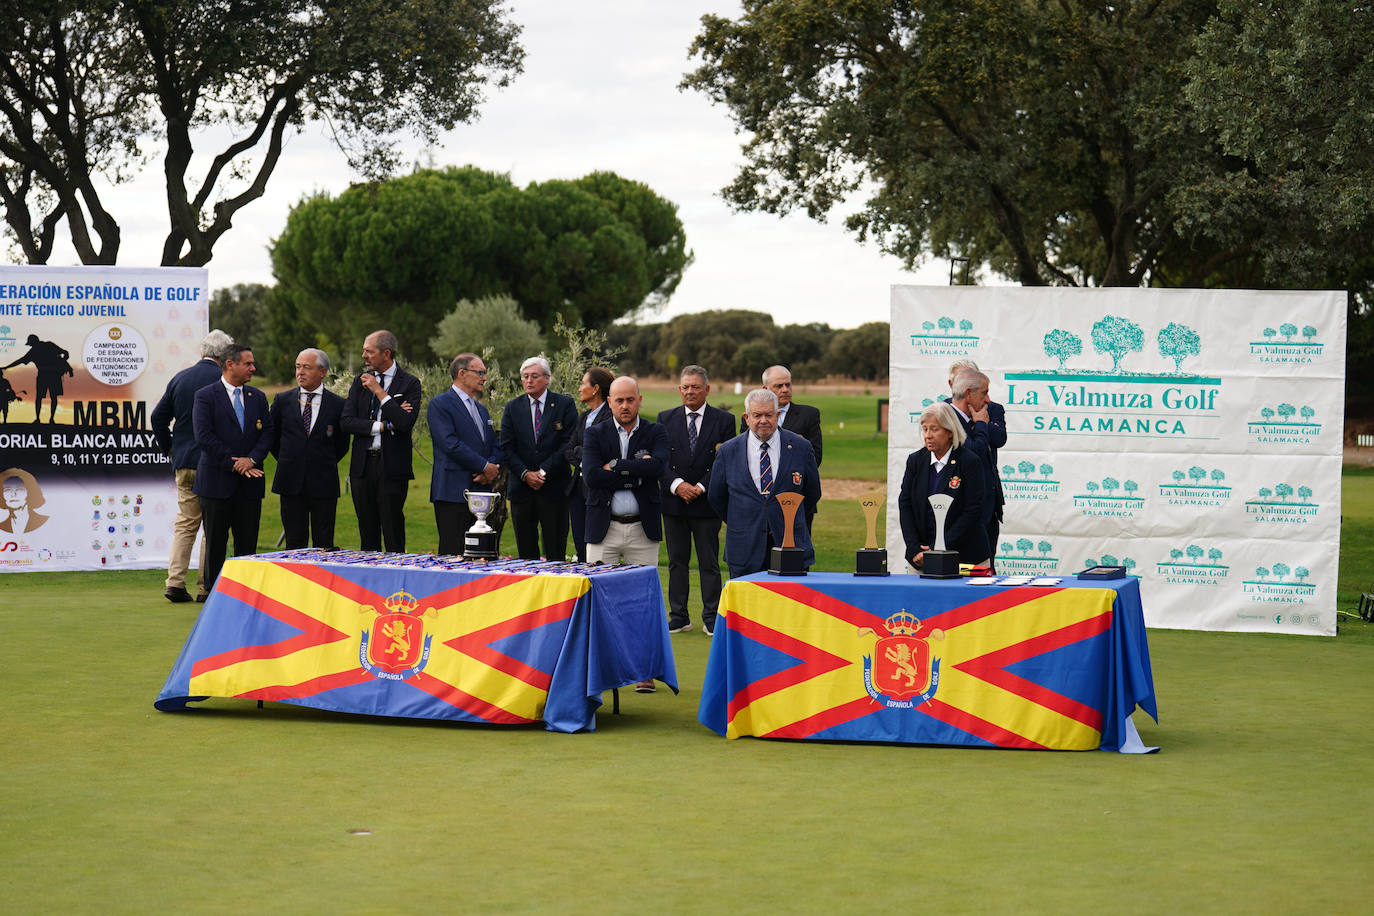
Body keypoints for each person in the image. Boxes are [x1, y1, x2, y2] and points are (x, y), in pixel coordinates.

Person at [582, 375, 668, 693]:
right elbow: (592, 476)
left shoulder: (655, 431)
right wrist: (634, 470)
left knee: (641, 603)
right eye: (619, 400)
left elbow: (657, 468)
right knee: (596, 599)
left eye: (630, 399)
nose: (625, 405)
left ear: (639, 400)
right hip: (603, 528)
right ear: (609, 402)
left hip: (641, 529)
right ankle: (595, 671)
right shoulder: (595, 433)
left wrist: (615, 467)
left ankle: (643, 671)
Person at [150, 329, 233, 602]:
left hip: (184, 461)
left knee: (186, 523)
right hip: (215, 464)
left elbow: (158, 418)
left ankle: (174, 582)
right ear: (225, 356)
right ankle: (206, 586)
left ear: (203, 351)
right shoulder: (224, 381)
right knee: (213, 526)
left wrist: (172, 450)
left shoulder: (181, 378)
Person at [710, 388, 821, 579]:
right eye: (757, 415)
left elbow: (812, 493)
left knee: (789, 608)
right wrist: (745, 518)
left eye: (769, 415)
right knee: (747, 609)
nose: (763, 420)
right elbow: (716, 497)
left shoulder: (801, 447)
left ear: (777, 415)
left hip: (791, 547)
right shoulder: (728, 451)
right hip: (744, 548)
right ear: (746, 418)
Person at [657, 365, 735, 635]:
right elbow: (660, 461)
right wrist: (678, 486)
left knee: (708, 562)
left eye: (695, 387)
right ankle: (678, 616)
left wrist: (700, 486)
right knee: (677, 561)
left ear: (707, 389)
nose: (690, 391)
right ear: (679, 389)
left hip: (707, 503)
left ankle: (712, 616)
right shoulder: (664, 418)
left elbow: (724, 461)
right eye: (685, 387)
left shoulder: (724, 421)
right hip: (673, 502)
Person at [192, 345, 273, 590]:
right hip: (216, 484)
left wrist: (252, 460)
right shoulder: (205, 396)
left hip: (249, 485)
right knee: (215, 543)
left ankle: (244, 593)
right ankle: (213, 594)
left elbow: (268, 433)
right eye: (248, 364)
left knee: (247, 545)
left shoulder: (257, 397)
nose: (253, 368)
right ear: (230, 364)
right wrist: (236, 464)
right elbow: (204, 437)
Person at [340, 330, 423, 552]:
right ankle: (369, 583)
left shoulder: (410, 384)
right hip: (363, 467)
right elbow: (347, 422)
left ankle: (397, 583)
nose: (363, 355)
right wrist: (384, 426)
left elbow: (405, 423)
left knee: (393, 531)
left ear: (386, 354)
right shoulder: (360, 382)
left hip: (392, 468)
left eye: (369, 351)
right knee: (367, 533)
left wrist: (379, 392)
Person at [268, 348, 350, 550]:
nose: (300, 372)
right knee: (294, 542)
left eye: (306, 367)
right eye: (297, 367)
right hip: (290, 481)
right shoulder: (282, 401)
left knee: (324, 544)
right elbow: (272, 439)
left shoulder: (338, 405)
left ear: (322, 372)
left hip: (324, 482)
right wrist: (292, 460)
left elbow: (342, 444)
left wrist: (319, 461)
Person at [500, 356, 577, 560]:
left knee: (555, 551)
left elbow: (569, 443)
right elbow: (506, 448)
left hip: (554, 488)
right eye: (525, 377)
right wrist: (525, 474)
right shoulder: (512, 408)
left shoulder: (564, 404)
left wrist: (542, 472)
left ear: (547, 378)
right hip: (522, 490)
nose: (529, 381)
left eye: (534, 376)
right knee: (526, 554)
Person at [897, 401, 990, 570]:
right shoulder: (915, 461)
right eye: (925, 429)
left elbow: (972, 511)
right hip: (920, 558)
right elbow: (906, 505)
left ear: (949, 431)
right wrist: (914, 547)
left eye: (934, 429)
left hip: (964, 558)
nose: (928, 435)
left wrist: (938, 548)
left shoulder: (969, 462)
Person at [429, 353, 503, 556]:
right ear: (462, 373)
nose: (484, 378)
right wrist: (483, 466)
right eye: (480, 372)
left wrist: (491, 468)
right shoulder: (440, 404)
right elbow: (450, 443)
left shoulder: (481, 410)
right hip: (453, 492)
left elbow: (494, 446)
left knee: (480, 555)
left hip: (481, 491)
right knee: (453, 554)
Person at [739, 365, 823, 528]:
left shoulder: (809, 415)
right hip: (760, 504)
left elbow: (815, 457)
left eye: (788, 384)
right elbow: (746, 457)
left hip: (797, 499)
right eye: (779, 386)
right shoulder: (751, 418)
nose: (785, 390)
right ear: (765, 388)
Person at [947, 366, 1006, 560]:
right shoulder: (944, 416)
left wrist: (983, 422)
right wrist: (981, 424)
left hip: (988, 504)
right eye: (985, 392)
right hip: (961, 510)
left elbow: (999, 439)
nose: (988, 399)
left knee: (987, 563)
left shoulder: (991, 409)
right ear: (968, 392)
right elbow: (975, 454)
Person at [565, 366, 614, 561]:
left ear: (595, 389)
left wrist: (582, 453)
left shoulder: (610, 416)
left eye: (583, 383)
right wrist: (585, 455)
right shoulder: (584, 416)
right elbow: (568, 450)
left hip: (598, 491)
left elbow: (605, 452)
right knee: (580, 546)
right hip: (577, 489)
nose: (579, 388)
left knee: (596, 549)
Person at [3, 333, 74, 423]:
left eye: (31, 344)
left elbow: (20, 361)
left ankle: (42, 418)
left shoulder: (35, 351)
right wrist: (63, 360)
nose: (31, 346)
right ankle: (48, 419)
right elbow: (66, 353)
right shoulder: (47, 346)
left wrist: (7, 367)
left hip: (46, 375)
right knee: (51, 397)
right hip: (51, 375)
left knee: (43, 397)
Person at [0, 468, 48, 533]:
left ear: (29, 493)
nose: (13, 494)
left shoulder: (44, 522)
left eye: (19, 489)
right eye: (7, 490)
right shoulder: (2, 526)